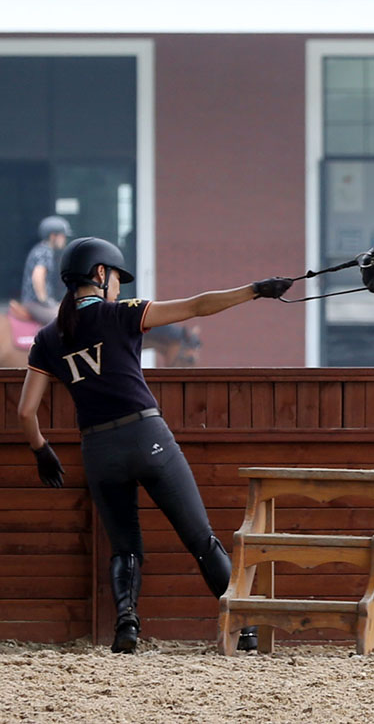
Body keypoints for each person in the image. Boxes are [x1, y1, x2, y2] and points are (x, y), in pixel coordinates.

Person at [17, 236, 293, 654]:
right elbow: (198, 305)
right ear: (100, 275)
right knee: (201, 540)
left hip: (98, 449)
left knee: (125, 548)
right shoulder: (122, 314)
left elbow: (25, 411)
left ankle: (126, 626)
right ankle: (245, 630)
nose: (118, 288)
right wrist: (255, 290)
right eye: (116, 279)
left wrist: (41, 450)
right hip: (146, 437)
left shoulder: (48, 338)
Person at [21, 216, 72, 325]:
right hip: (35, 304)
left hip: (36, 303)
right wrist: (45, 301)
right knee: (64, 320)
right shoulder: (45, 252)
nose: (64, 239)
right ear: (53, 236)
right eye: (62, 236)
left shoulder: (40, 249)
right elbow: (38, 276)